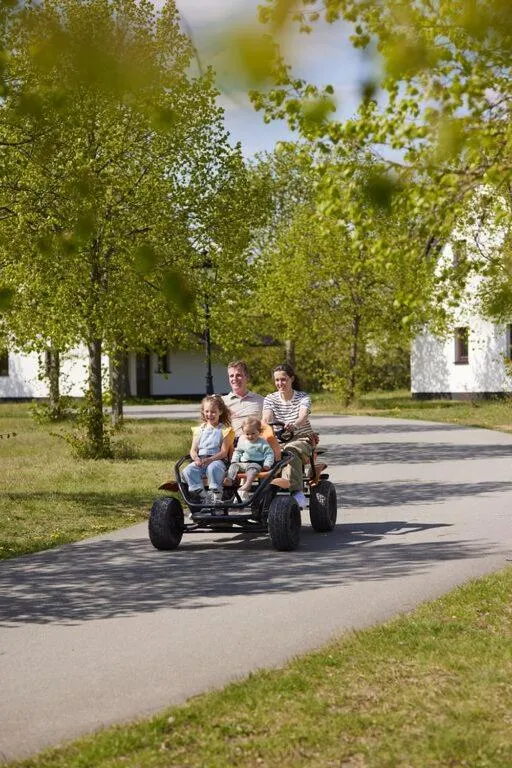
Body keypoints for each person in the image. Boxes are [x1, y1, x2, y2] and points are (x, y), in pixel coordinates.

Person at [262, 363, 314, 509]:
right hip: (277, 440)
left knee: (289, 451)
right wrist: (264, 424)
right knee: (260, 453)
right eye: (277, 380)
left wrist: (295, 424)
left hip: (301, 437)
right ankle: (258, 494)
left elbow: (303, 415)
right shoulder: (270, 398)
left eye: (283, 379)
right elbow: (266, 417)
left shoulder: (303, 397)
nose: (280, 383)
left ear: (291, 379)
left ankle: (296, 492)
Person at [181, 394, 235, 504]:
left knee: (213, 468)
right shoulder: (199, 430)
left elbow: (224, 452)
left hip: (218, 460)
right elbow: (193, 450)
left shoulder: (225, 430)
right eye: (207, 411)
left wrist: (210, 460)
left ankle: (216, 496)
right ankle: (203, 496)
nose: (210, 414)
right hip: (201, 460)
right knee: (188, 470)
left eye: (213, 411)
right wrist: (196, 459)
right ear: (203, 412)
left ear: (220, 412)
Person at [225, 416, 275, 500]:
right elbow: (238, 452)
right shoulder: (243, 441)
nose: (250, 436)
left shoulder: (262, 442)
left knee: (252, 470)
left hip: (256, 463)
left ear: (259, 432)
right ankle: (230, 480)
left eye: (253, 433)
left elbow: (269, 453)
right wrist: (234, 460)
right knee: (233, 466)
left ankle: (247, 485)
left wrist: (267, 464)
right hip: (244, 463)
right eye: (247, 434)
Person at [222, 360, 264, 437]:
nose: (234, 378)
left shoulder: (261, 400)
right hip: (231, 444)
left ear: (247, 377)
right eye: (231, 376)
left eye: (238, 375)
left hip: (255, 443)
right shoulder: (221, 402)